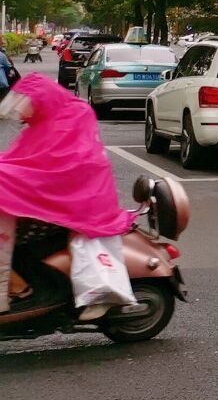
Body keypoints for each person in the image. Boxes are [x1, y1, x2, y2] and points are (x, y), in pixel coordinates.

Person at [0, 75, 136, 315]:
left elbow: (56, 169)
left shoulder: (70, 119)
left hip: (75, 205)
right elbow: (21, 160)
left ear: (41, 99)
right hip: (59, 202)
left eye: (25, 104)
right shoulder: (44, 123)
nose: (21, 113)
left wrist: (8, 176)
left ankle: (21, 290)